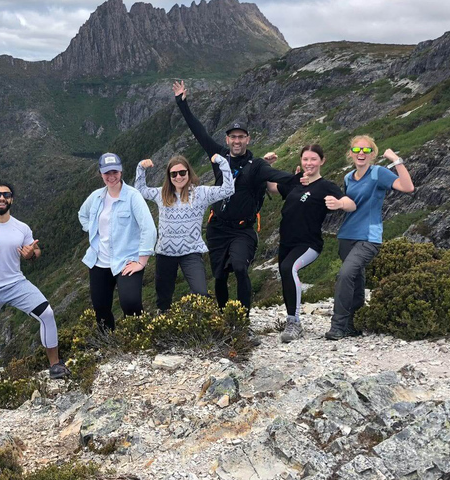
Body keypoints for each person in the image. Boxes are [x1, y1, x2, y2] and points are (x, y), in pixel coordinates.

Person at [173, 80, 299, 309]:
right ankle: (224, 315)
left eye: (241, 137)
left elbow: (277, 175)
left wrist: (299, 179)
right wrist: (182, 103)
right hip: (218, 227)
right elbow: (198, 132)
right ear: (227, 139)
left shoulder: (257, 165)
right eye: (233, 137)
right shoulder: (219, 156)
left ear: (248, 139)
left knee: (240, 268)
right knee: (219, 276)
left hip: (243, 229)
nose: (237, 141)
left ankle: (243, 317)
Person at [0, 182, 70, 380]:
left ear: (11, 199)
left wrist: (31, 255)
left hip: (16, 284)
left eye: (6, 194)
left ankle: (55, 365)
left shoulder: (21, 228)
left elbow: (34, 250)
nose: (1, 198)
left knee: (47, 314)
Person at [325, 135, 414, 340]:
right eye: (357, 151)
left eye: (366, 150)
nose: (361, 154)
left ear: (372, 154)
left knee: (345, 274)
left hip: (369, 238)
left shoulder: (378, 173)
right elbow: (350, 206)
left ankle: (338, 325)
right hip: (346, 236)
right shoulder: (348, 177)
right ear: (351, 154)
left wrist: (396, 161)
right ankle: (353, 325)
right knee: (355, 279)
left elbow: (407, 187)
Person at [266, 145, 356, 342]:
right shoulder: (296, 182)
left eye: (313, 159)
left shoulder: (326, 186)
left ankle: (294, 323)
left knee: (289, 268)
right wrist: (266, 167)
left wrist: (340, 204)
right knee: (285, 272)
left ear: (322, 161)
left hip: (308, 243)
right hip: (286, 242)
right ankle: (292, 319)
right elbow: (272, 187)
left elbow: (351, 203)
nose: (309, 163)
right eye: (305, 159)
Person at [135, 154, 234, 312]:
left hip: (191, 252)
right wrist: (141, 167)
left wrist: (222, 162)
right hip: (165, 253)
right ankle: (165, 326)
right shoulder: (162, 194)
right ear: (169, 176)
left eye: (182, 172)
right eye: (173, 174)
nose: (178, 177)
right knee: (163, 299)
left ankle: (198, 326)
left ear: (189, 173)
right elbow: (140, 191)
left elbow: (228, 189)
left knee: (201, 293)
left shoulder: (201, 194)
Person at [78, 152, 156, 330]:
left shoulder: (133, 196)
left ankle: (141, 339)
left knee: (130, 303)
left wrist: (141, 262)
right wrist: (92, 230)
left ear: (121, 172)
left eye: (115, 172)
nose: (111, 177)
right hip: (99, 261)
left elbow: (149, 228)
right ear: (101, 174)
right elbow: (82, 214)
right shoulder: (96, 197)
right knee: (101, 308)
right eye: (107, 173)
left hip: (126, 260)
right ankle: (108, 346)